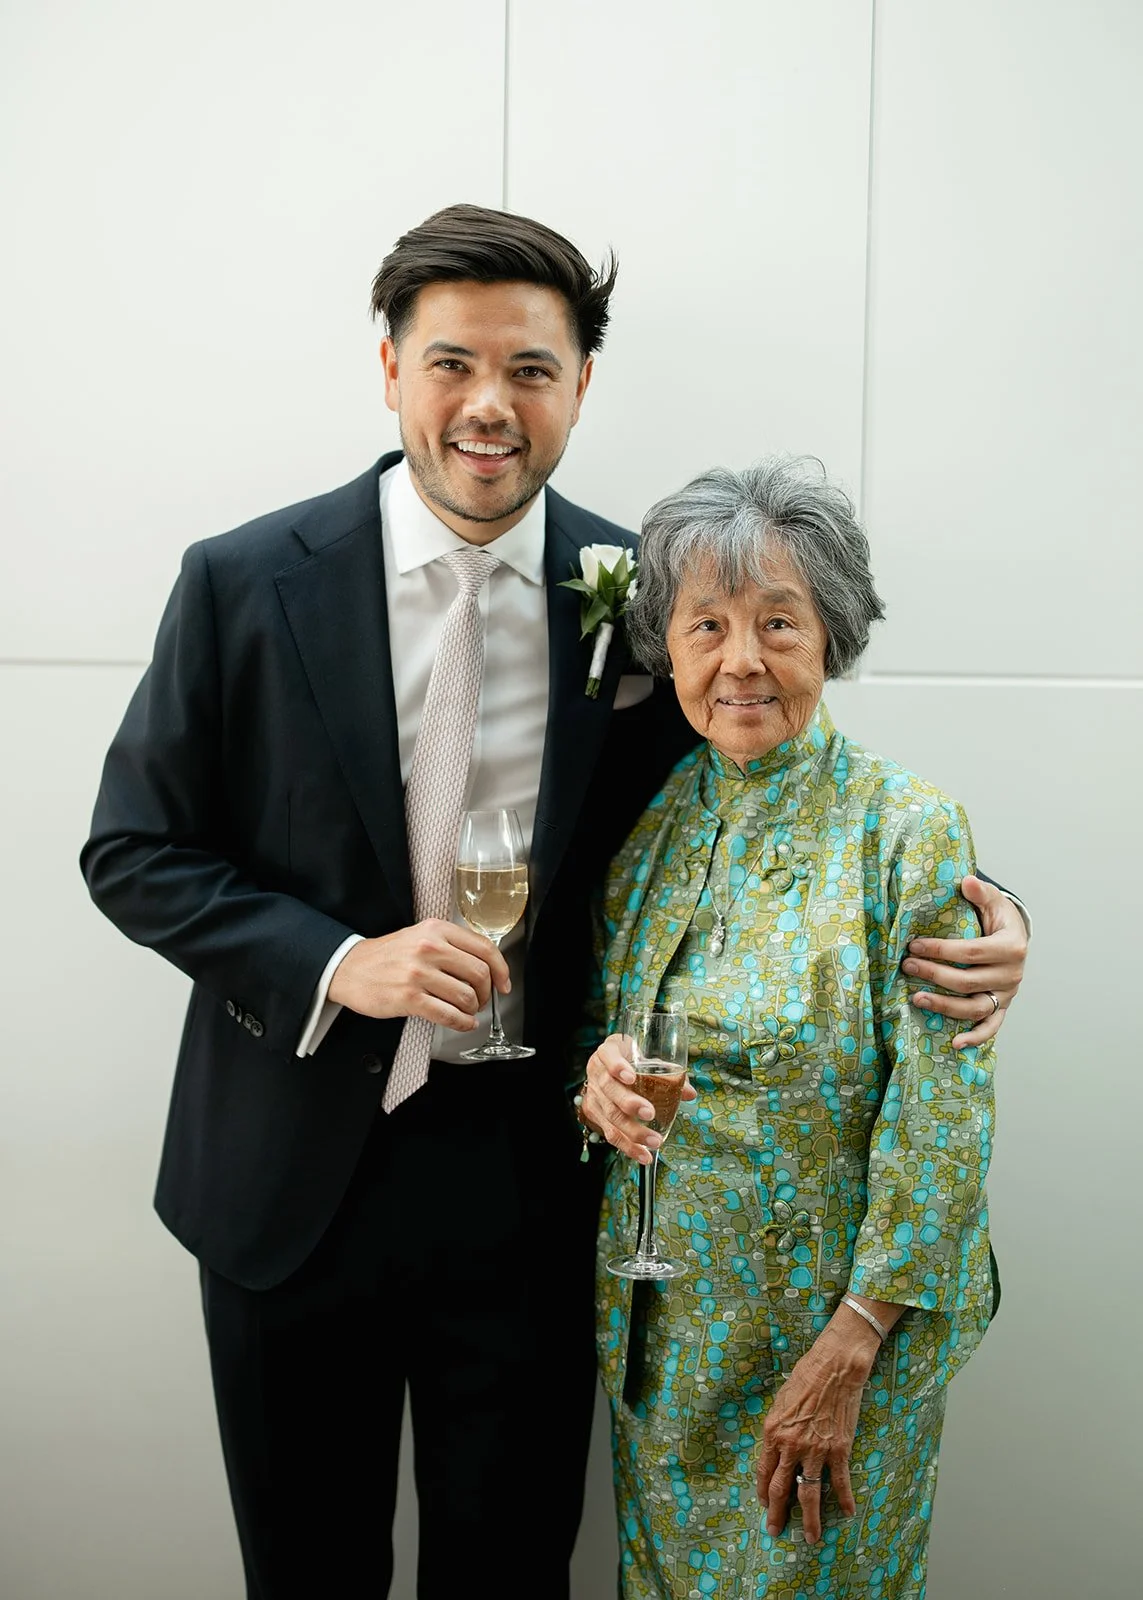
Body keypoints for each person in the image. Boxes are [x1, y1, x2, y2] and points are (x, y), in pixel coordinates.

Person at [79, 206, 1026, 1600]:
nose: (486, 404)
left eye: (529, 369)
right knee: (303, 1570)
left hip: (531, 1181)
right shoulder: (239, 583)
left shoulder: (638, 594)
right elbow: (134, 850)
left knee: (511, 1569)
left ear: (578, 385)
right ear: (387, 369)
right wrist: (345, 962)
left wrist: (974, 909)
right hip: (284, 1177)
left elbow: (757, 782)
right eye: (450, 361)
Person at [579, 457, 1006, 1599]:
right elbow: (594, 1024)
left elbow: (942, 1111)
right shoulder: (656, 821)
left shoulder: (905, 829)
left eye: (779, 621)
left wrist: (853, 1342)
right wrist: (600, 1078)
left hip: (836, 1347)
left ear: (834, 635)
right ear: (666, 649)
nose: (742, 660)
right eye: (706, 625)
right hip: (667, 1348)